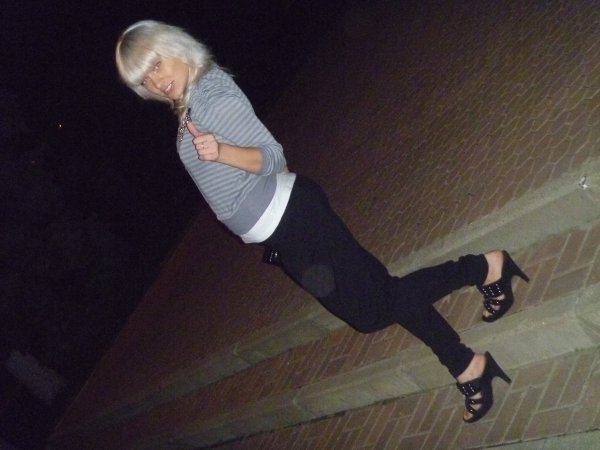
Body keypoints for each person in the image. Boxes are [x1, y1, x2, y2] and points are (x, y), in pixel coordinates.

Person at [115, 20, 529, 423]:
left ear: (175, 48)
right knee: (384, 294)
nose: (156, 81)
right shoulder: (191, 105)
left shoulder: (211, 93)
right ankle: (467, 364)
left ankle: (482, 269)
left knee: (371, 312)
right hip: (287, 231)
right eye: (144, 79)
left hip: (296, 220)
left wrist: (222, 152)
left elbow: (272, 156)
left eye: (157, 65)